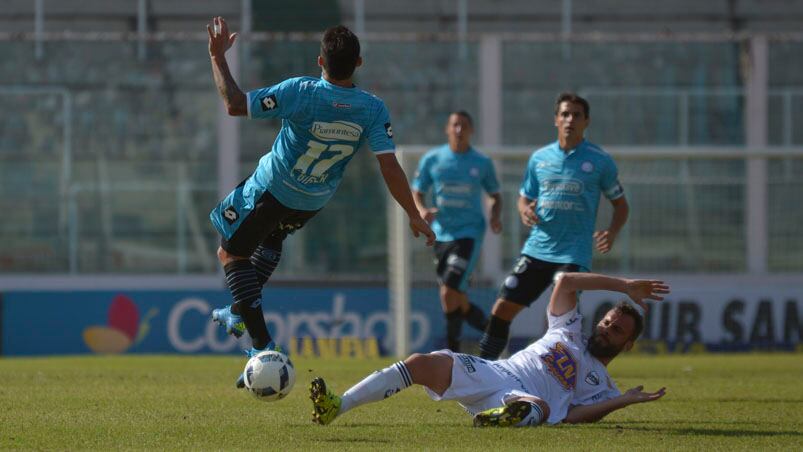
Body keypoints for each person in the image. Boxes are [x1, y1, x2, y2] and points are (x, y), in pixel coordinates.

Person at [205, 17, 435, 384]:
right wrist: (413, 213)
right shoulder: (372, 108)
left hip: (272, 189)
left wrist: (217, 57)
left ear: (319, 62)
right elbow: (389, 166)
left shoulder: (301, 91)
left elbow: (235, 104)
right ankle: (237, 309)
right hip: (313, 200)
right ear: (359, 63)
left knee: (230, 254)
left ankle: (264, 346)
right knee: (271, 241)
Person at [309, 271, 668, 427]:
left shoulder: (604, 386)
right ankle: (337, 406)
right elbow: (566, 281)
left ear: (628, 343)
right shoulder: (568, 328)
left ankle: (498, 419)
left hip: (521, 398)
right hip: (495, 371)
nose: (607, 328)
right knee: (420, 363)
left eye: (616, 329)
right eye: (606, 321)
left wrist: (623, 401)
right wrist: (624, 286)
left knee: (539, 407)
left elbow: (572, 417)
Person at [479, 93, 631, 360]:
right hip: (537, 249)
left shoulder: (600, 161)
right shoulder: (539, 158)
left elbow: (621, 205)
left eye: (576, 115)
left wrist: (612, 231)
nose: (570, 119)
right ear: (556, 120)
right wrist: (524, 209)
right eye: (565, 114)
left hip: (574, 255)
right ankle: (482, 373)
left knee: (556, 322)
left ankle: (559, 378)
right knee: (501, 309)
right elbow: (524, 196)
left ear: (586, 122)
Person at [412, 111, 503, 352]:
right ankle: (490, 331)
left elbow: (495, 195)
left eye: (464, 125)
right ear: (447, 129)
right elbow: (418, 190)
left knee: (451, 283)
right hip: (441, 234)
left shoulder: (481, 163)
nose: (459, 130)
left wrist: (494, 215)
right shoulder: (433, 159)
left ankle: (453, 353)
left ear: (471, 130)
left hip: (469, 234)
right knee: (450, 296)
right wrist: (421, 210)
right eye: (455, 125)